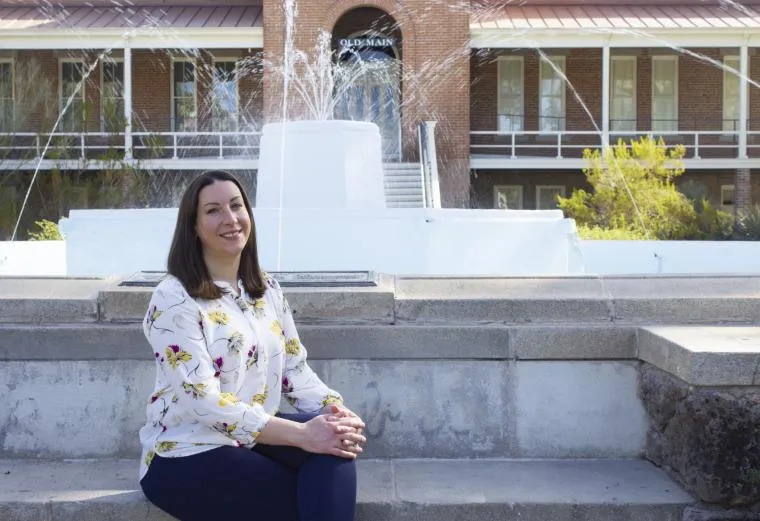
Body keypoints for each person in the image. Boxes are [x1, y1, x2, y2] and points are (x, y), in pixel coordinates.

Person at [138, 170, 365, 521]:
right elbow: (204, 401)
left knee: (334, 444)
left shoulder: (266, 289)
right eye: (213, 210)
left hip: (253, 439)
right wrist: (302, 433)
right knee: (304, 499)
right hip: (186, 451)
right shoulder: (174, 298)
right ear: (193, 226)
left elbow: (294, 369)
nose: (230, 219)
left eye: (236, 206)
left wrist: (335, 411)